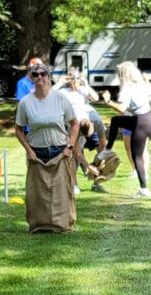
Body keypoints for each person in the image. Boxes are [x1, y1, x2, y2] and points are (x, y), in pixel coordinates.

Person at [14, 63, 92, 233]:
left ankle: (63, 224)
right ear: (31, 78)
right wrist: (28, 150)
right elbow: (18, 129)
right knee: (37, 194)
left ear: (49, 77)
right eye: (36, 75)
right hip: (37, 152)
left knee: (61, 192)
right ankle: (39, 225)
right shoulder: (26, 103)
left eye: (43, 74)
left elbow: (74, 124)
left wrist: (70, 146)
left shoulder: (60, 99)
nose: (40, 77)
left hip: (59, 150)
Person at [101, 62, 151, 198]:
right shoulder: (140, 85)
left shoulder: (127, 89)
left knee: (136, 156)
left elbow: (122, 109)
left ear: (122, 75)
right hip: (148, 120)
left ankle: (144, 189)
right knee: (116, 121)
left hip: (140, 123)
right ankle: (107, 150)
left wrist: (108, 102)